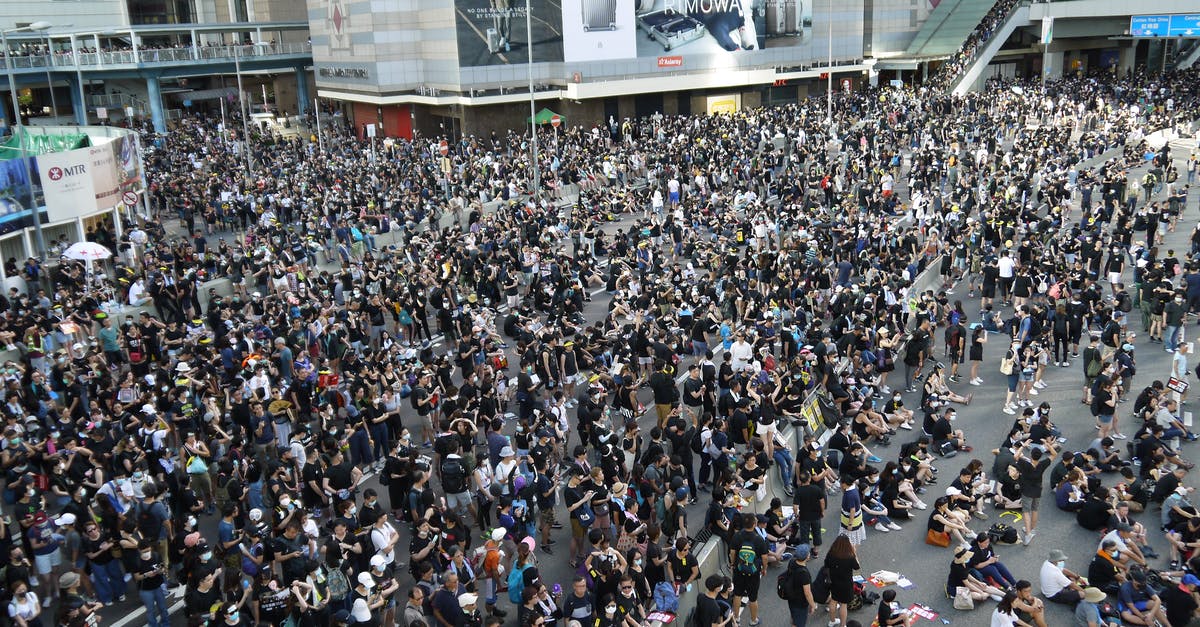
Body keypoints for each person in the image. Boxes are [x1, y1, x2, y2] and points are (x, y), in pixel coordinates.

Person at [728, 513, 768, 627]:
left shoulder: (737, 536)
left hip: (739, 570)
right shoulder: (758, 539)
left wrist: (732, 564)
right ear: (754, 524)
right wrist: (764, 569)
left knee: (737, 594)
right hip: (753, 572)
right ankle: (753, 620)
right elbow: (764, 557)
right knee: (753, 597)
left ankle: (736, 618)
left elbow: (732, 552)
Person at [1014, 442, 1054, 545]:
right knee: (1035, 509)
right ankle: (1031, 529)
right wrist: (1047, 444)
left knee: (1026, 511)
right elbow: (1054, 454)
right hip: (1037, 490)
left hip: (1027, 490)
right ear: (1040, 456)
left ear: (1031, 455)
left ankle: (1028, 534)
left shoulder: (1025, 464)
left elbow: (1016, 456)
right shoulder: (1042, 464)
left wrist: (1023, 446)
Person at [824, 535, 860, 627]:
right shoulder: (849, 556)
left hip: (833, 581)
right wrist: (854, 553)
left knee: (833, 600)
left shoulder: (831, 554)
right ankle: (842, 624)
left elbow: (826, 564)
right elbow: (857, 567)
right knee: (843, 605)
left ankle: (832, 621)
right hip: (846, 583)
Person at [783, 545, 816, 627]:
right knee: (799, 623)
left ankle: (793, 622)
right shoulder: (804, 574)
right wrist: (812, 605)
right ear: (807, 557)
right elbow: (807, 593)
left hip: (791, 597)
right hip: (800, 603)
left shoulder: (792, 561)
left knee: (794, 616)